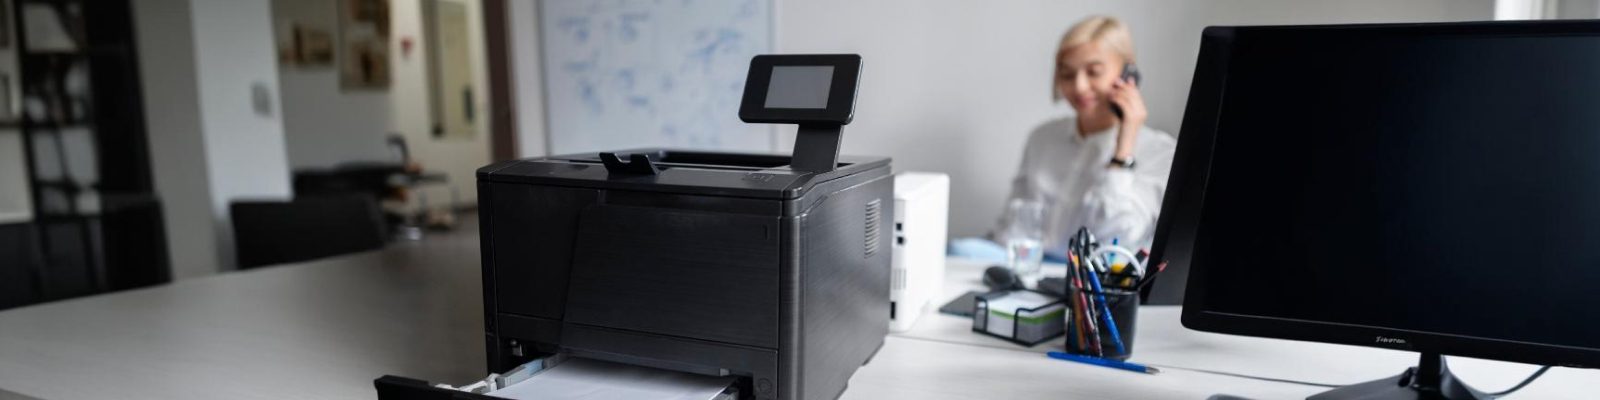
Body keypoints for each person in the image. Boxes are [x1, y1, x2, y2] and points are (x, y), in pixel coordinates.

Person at [957, 15, 1176, 260]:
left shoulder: (1161, 152)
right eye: (1068, 74)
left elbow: (1118, 238)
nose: (1079, 86)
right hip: (1028, 268)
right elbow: (1012, 225)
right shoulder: (1042, 138)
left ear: (1128, 75)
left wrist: (1123, 151)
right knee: (957, 252)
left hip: (1091, 281)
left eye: (1094, 72)